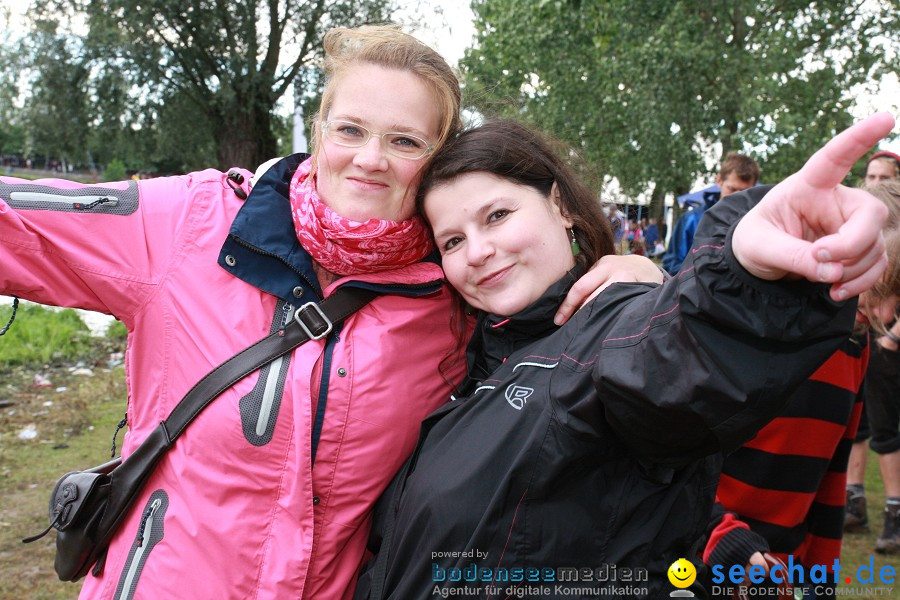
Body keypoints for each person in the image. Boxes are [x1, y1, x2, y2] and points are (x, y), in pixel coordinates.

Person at [1, 25, 657, 599]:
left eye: (405, 141)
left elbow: (561, 380)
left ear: (437, 160)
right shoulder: (192, 225)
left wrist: (637, 285)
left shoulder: (454, 293)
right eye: (351, 130)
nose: (370, 160)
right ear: (319, 131)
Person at [353, 114, 893, 600]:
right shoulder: (471, 354)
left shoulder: (614, 328)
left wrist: (745, 274)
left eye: (496, 215)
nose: (476, 251)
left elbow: (669, 363)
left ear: (560, 204)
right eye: (451, 241)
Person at [701, 179, 900, 599]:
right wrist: (723, 540)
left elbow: (831, 475)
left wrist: (820, 582)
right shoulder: (744, 328)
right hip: (700, 563)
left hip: (782, 573)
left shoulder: (855, 344)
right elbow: (667, 463)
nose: (882, 313)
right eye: (878, 287)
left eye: (897, 300)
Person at [845, 153, 900, 541]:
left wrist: (893, 335)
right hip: (867, 343)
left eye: (885, 176)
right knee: (857, 425)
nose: (876, 182)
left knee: (884, 427)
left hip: (888, 346)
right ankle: (854, 500)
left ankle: (893, 512)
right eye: (871, 175)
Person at [662, 152, 760, 275]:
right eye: (732, 189)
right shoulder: (692, 219)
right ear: (719, 181)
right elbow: (672, 264)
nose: (738, 197)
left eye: (745, 192)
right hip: (695, 292)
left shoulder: (758, 223)